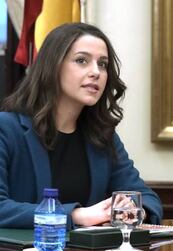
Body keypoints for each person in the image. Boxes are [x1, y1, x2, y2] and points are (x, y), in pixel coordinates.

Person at [0, 23, 162, 228]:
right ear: (52, 66)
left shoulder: (102, 136)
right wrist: (76, 215)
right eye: (81, 61)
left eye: (102, 64)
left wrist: (132, 211)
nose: (96, 72)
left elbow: (147, 198)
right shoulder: (6, 128)